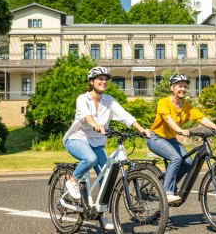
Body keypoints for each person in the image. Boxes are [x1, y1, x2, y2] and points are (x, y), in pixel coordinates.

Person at [62, 66, 150, 230]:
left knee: (106, 181)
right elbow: (86, 116)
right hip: (77, 139)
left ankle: (101, 215)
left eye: (106, 79)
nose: (104, 81)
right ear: (91, 82)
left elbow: (125, 116)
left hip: (97, 143)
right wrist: (95, 124)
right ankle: (72, 181)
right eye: (100, 79)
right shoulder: (83, 98)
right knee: (90, 158)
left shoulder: (109, 100)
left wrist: (141, 129)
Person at [147, 73, 216, 203]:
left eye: (185, 87)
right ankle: (166, 192)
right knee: (176, 158)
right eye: (179, 86)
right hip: (156, 138)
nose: (183, 89)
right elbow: (168, 119)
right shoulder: (164, 102)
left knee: (188, 163)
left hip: (171, 139)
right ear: (172, 88)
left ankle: (170, 186)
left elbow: (202, 118)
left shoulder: (186, 106)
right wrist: (179, 130)